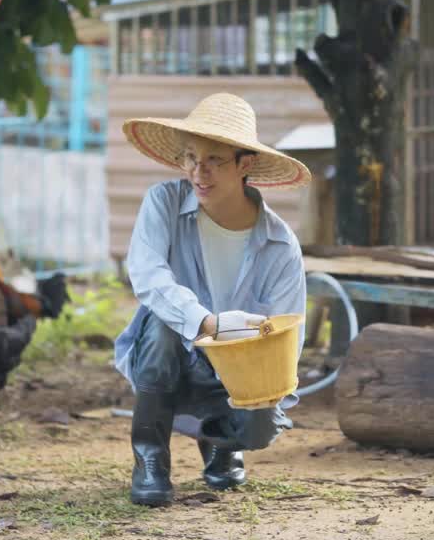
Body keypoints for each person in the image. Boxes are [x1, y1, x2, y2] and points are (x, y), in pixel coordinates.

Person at [113, 92, 311, 506]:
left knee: (257, 428)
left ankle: (222, 440)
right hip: (170, 355)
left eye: (214, 160)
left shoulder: (280, 245)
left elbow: (288, 334)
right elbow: (148, 276)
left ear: (245, 164)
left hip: (240, 370)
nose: (198, 173)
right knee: (164, 321)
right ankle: (150, 458)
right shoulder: (163, 202)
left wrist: (261, 395)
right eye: (189, 157)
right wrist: (204, 323)